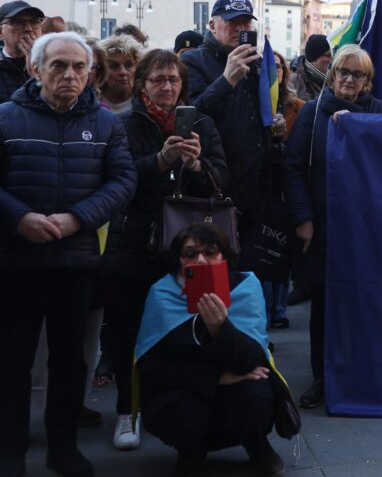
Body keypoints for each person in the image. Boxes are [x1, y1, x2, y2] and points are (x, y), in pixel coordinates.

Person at [0, 31, 137, 477]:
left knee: (69, 360)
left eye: (79, 67)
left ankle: (63, 448)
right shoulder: (5, 117)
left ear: (89, 74)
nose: (69, 75)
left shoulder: (106, 124)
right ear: (35, 69)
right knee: (12, 362)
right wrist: (19, 217)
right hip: (16, 261)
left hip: (75, 261)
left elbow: (122, 182)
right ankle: (10, 451)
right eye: (58, 65)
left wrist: (77, 219)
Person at [103, 48, 228, 451]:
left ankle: (179, 404)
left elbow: (222, 182)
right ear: (142, 84)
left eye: (173, 79)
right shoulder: (122, 124)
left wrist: (196, 166)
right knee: (127, 329)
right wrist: (160, 160)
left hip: (189, 246)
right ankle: (127, 410)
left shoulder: (201, 123)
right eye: (158, 79)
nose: (167, 87)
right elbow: (119, 180)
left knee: (188, 326)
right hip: (136, 243)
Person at [283, 44, 382, 410]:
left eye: (357, 74)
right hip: (325, 227)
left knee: (366, 303)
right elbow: (293, 168)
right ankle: (323, 377)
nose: (348, 79)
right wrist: (304, 219)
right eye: (342, 71)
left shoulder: (381, 114)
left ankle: (363, 373)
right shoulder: (313, 114)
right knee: (325, 306)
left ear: (367, 80)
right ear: (332, 75)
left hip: (369, 229)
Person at [134, 223, 285, 477]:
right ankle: (190, 452)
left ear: (224, 256)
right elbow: (152, 369)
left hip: (238, 385)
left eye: (210, 252)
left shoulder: (245, 288)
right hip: (187, 389)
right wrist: (216, 378)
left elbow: (253, 358)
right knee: (177, 410)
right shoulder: (162, 294)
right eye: (190, 254)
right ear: (179, 260)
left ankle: (258, 447)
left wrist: (220, 328)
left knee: (255, 395)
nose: (200, 260)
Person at [183, 0, 274, 235]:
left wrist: (274, 123)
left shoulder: (255, 63)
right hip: (216, 183)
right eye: (233, 22)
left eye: (246, 23)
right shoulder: (192, 61)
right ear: (212, 25)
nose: (241, 29)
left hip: (256, 185)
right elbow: (192, 115)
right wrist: (227, 80)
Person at [0, 0, 44, 104]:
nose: (28, 29)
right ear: (1, 32)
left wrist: (39, 72)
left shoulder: (54, 66)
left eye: (34, 22)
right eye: (18, 22)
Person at [98, 35, 143, 115]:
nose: (123, 72)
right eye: (114, 66)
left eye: (129, 65)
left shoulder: (147, 106)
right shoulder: (89, 104)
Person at [289, 34, 332, 101]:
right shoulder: (294, 81)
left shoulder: (334, 81)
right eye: (328, 55)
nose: (332, 59)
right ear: (314, 60)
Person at [273, 50, 304, 139]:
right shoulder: (251, 105)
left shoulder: (299, 106)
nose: (273, 71)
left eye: (277, 67)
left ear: (283, 72)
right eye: (267, 66)